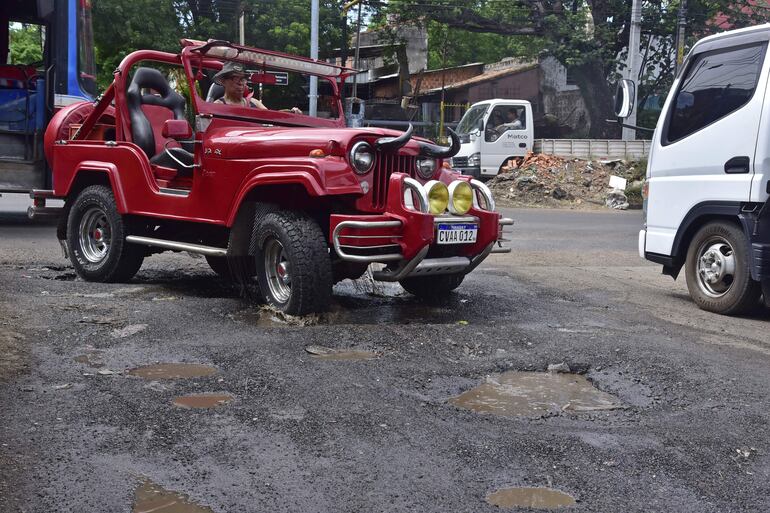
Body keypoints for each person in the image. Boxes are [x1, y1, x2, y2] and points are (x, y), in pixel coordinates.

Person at [213, 62, 302, 114]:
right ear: (223, 81)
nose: (240, 83)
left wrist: (292, 112)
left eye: (243, 78)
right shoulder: (217, 106)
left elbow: (272, 117)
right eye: (235, 78)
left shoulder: (253, 102)